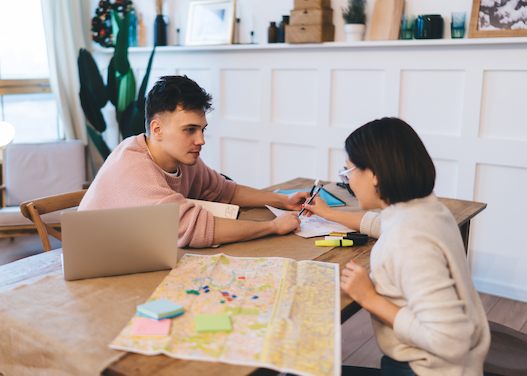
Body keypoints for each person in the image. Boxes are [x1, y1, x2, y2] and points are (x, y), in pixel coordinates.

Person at [303, 118, 490, 375]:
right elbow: (382, 224)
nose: (348, 183)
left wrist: (369, 298)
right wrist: (329, 214)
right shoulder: (426, 210)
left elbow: (451, 341)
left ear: (375, 175)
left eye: (348, 173)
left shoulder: (407, 241)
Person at [80, 75, 308, 248]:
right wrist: (273, 226)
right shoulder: (133, 168)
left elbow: (223, 191)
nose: (200, 140)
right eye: (189, 130)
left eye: (201, 130)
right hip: (95, 265)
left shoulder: (179, 159)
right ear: (157, 129)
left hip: (139, 253)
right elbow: (197, 229)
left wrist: (283, 200)